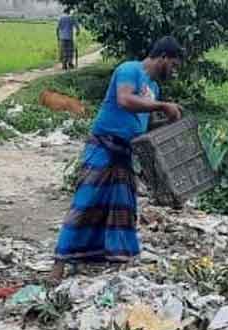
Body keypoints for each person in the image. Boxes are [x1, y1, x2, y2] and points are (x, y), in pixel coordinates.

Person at [50, 37, 184, 279]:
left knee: (122, 209)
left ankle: (115, 260)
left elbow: (145, 124)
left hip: (124, 154)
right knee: (85, 202)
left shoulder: (153, 89)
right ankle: (59, 264)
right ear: (163, 57)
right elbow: (124, 100)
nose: (173, 71)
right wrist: (162, 106)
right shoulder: (129, 70)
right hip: (103, 146)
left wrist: (167, 119)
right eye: (173, 65)